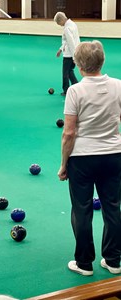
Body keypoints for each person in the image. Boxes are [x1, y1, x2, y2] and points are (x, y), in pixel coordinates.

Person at [58, 40, 121, 276]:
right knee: (112, 207)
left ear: (79, 65)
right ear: (102, 61)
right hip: (114, 156)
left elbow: (69, 132)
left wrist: (64, 164)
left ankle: (84, 264)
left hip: (83, 159)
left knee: (81, 209)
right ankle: (113, 260)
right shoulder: (118, 85)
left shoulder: (75, 91)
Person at [54, 12, 80, 96]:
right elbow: (66, 41)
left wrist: (74, 56)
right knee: (70, 71)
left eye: (59, 23)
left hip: (69, 55)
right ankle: (77, 87)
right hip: (73, 52)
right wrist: (60, 49)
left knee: (65, 73)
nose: (59, 25)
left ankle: (66, 90)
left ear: (61, 20)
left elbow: (71, 43)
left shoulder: (67, 28)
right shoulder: (73, 24)